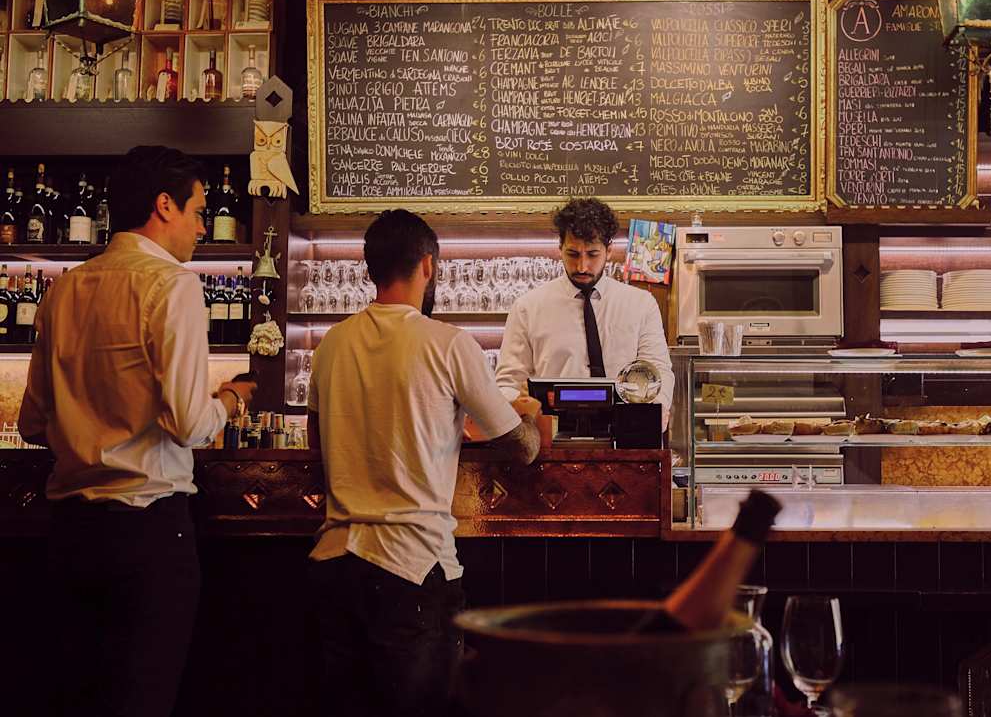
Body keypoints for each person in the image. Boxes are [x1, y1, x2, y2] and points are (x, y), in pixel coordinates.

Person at [18, 145, 257, 717]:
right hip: (147, 533)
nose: (204, 226)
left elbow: (31, 424)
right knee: (142, 698)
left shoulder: (62, 290)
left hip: (70, 533)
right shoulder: (173, 286)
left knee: (77, 696)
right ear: (164, 205)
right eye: (199, 211)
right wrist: (230, 399)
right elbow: (189, 425)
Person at [306, 209, 541, 717]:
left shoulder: (330, 345)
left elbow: (315, 446)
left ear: (369, 269)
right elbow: (519, 447)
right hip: (411, 567)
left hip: (334, 562)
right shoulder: (448, 343)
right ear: (429, 266)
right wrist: (536, 420)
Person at [496, 197, 675, 427]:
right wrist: (517, 403)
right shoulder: (527, 308)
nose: (582, 266)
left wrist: (655, 412)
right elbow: (509, 383)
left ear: (609, 250)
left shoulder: (641, 304)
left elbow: (659, 371)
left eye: (592, 255)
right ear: (560, 248)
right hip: (550, 440)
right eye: (572, 254)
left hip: (625, 437)